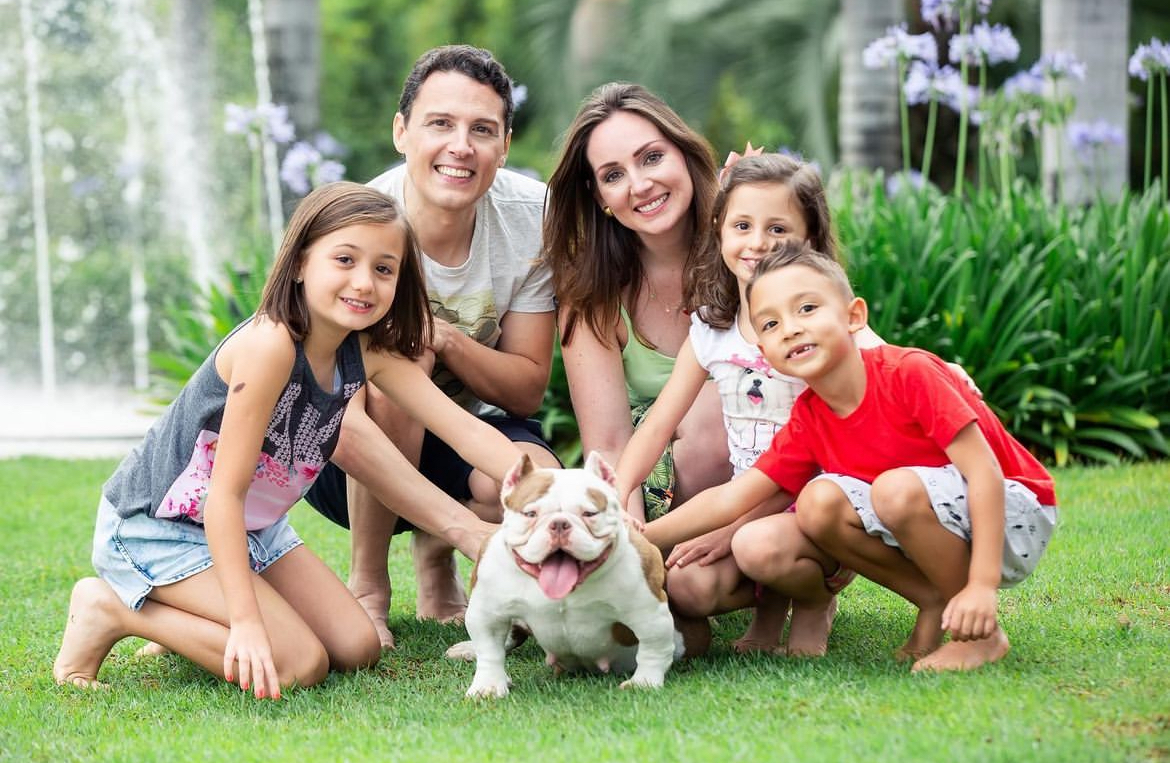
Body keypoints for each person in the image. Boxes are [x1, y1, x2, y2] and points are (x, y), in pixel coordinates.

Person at [52, 182, 528, 698]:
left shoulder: (365, 351)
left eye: (384, 269)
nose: (364, 282)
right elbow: (223, 497)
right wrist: (247, 622)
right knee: (297, 664)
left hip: (256, 529)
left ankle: (187, 605)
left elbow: (468, 433)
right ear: (301, 262)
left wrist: (561, 491)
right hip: (159, 528)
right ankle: (114, 610)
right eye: (344, 259)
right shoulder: (270, 346)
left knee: (357, 645)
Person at [647, 241, 1058, 672]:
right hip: (934, 516)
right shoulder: (810, 416)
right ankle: (931, 597)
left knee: (893, 489)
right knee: (818, 502)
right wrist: (637, 534)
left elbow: (986, 473)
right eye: (770, 323)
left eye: (807, 309)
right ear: (764, 353)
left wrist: (982, 585)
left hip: (1014, 512)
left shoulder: (908, 374)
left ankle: (981, 634)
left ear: (853, 317)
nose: (790, 328)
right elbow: (731, 499)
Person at [301, 45, 560, 648]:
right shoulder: (361, 226)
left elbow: (523, 386)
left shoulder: (533, 219)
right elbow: (339, 415)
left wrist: (446, 338)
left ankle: (450, 572)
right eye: (440, 124)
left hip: (464, 430)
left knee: (537, 480)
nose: (460, 146)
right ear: (401, 132)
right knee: (400, 358)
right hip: (344, 455)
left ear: (505, 143)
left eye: (482, 130)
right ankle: (369, 588)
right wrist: (421, 343)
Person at [616, 153, 873, 656]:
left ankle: (816, 600)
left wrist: (947, 374)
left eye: (778, 228)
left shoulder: (822, 328)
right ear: (719, 230)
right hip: (748, 496)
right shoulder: (713, 331)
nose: (757, 243)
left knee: (757, 544)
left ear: (811, 240)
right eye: (743, 225)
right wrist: (620, 493)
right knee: (686, 586)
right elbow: (657, 425)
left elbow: (889, 368)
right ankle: (766, 612)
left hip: (822, 506)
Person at [542, 82, 737, 652]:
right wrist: (632, 550)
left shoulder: (744, 244)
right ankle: (669, 587)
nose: (640, 184)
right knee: (689, 590)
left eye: (652, 157)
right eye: (614, 174)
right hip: (661, 493)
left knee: (709, 409)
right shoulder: (592, 290)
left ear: (683, 153)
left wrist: (755, 202)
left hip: (770, 469)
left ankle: (802, 587)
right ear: (599, 195)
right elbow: (607, 440)